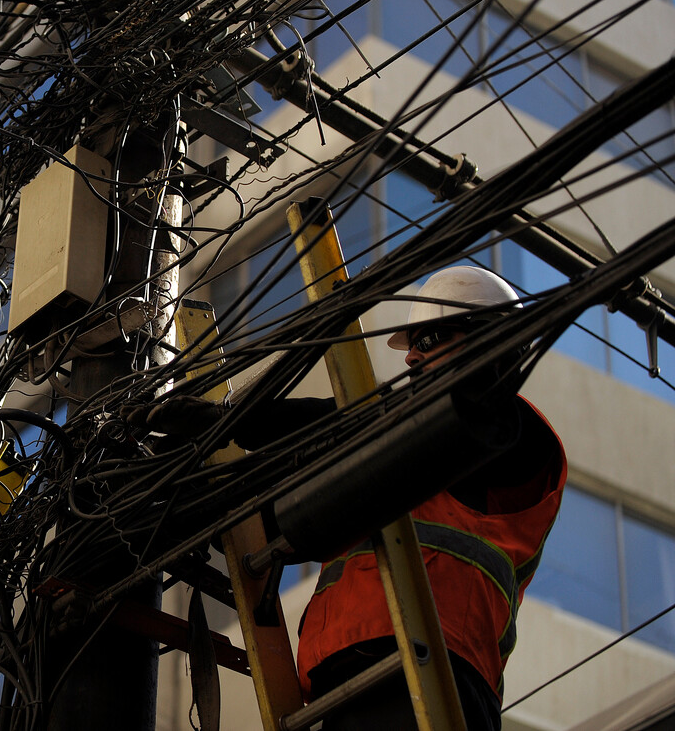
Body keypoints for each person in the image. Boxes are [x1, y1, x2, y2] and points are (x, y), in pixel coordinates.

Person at [134, 265, 566, 729]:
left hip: (435, 671)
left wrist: (228, 423)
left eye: (427, 341)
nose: (410, 360)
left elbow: (355, 422)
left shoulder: (508, 433)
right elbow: (303, 514)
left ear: (490, 341)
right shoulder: (391, 469)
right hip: (348, 673)